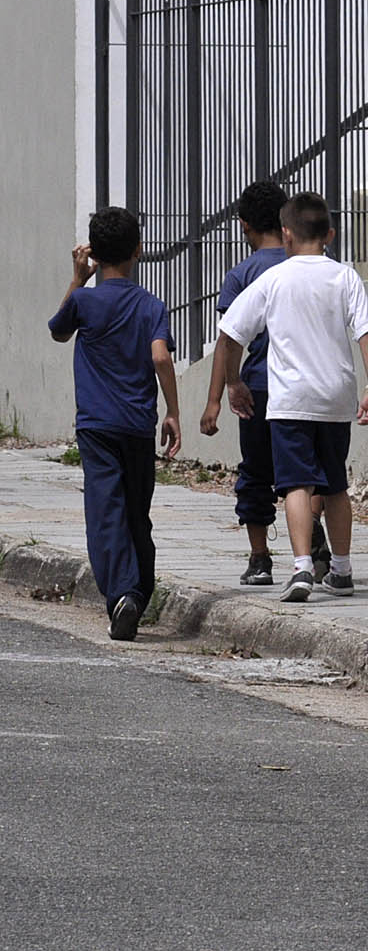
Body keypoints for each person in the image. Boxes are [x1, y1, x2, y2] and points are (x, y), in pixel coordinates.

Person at [216, 193, 368, 602]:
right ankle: (341, 569)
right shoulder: (345, 277)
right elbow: (366, 331)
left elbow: (232, 333)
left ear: (286, 235)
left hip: (289, 399)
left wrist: (233, 382)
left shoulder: (272, 280)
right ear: (330, 233)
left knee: (296, 485)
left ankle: (302, 567)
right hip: (336, 397)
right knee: (336, 484)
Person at [48, 207, 180, 641]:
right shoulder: (151, 305)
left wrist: (77, 278)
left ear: (94, 255)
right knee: (137, 513)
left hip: (97, 426)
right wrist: (173, 411)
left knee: (107, 512)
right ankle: (139, 594)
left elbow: (58, 331)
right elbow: (160, 356)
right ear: (138, 251)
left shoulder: (84, 302)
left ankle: (123, 594)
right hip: (138, 426)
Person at [197, 180, 288, 585]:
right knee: (312, 468)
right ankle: (317, 546)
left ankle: (260, 557)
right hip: (308, 386)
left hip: (259, 386)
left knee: (256, 471)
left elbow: (228, 341)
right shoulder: (314, 262)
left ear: (243, 224)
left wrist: (217, 397)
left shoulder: (242, 274)